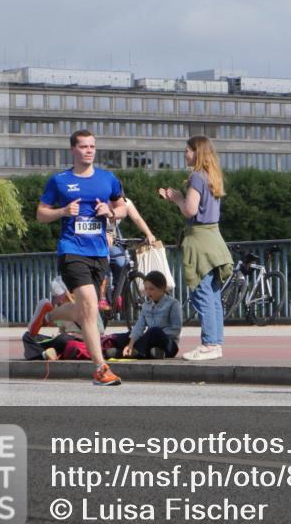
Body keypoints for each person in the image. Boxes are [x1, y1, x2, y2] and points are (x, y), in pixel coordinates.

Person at [36, 130, 127, 386]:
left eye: (92, 146)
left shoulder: (107, 179)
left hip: (99, 252)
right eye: (84, 146)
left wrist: (110, 211)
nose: (89, 150)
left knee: (85, 309)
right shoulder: (60, 180)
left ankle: (50, 314)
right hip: (72, 250)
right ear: (73, 150)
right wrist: (63, 211)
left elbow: (123, 209)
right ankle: (100, 368)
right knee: (88, 303)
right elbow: (41, 214)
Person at [159, 135, 233, 361]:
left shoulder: (196, 177)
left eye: (188, 150)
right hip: (215, 239)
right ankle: (215, 342)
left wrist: (176, 198)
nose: (185, 154)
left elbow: (190, 210)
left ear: (197, 153)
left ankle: (209, 344)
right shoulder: (212, 177)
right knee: (213, 295)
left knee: (202, 294)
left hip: (199, 240)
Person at [100, 197, 159, 312]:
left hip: (113, 238)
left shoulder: (125, 203)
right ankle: (102, 297)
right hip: (98, 238)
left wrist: (149, 234)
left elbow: (137, 218)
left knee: (121, 262)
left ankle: (117, 293)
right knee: (104, 263)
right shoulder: (102, 202)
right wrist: (103, 234)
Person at [120, 270, 182, 359]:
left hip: (169, 345)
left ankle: (136, 352)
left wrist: (151, 334)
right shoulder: (146, 306)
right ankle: (126, 350)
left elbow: (176, 329)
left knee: (154, 331)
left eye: (152, 289)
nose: (148, 292)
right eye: (146, 289)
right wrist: (131, 343)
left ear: (162, 288)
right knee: (128, 335)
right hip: (149, 341)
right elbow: (139, 326)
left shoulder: (173, 304)